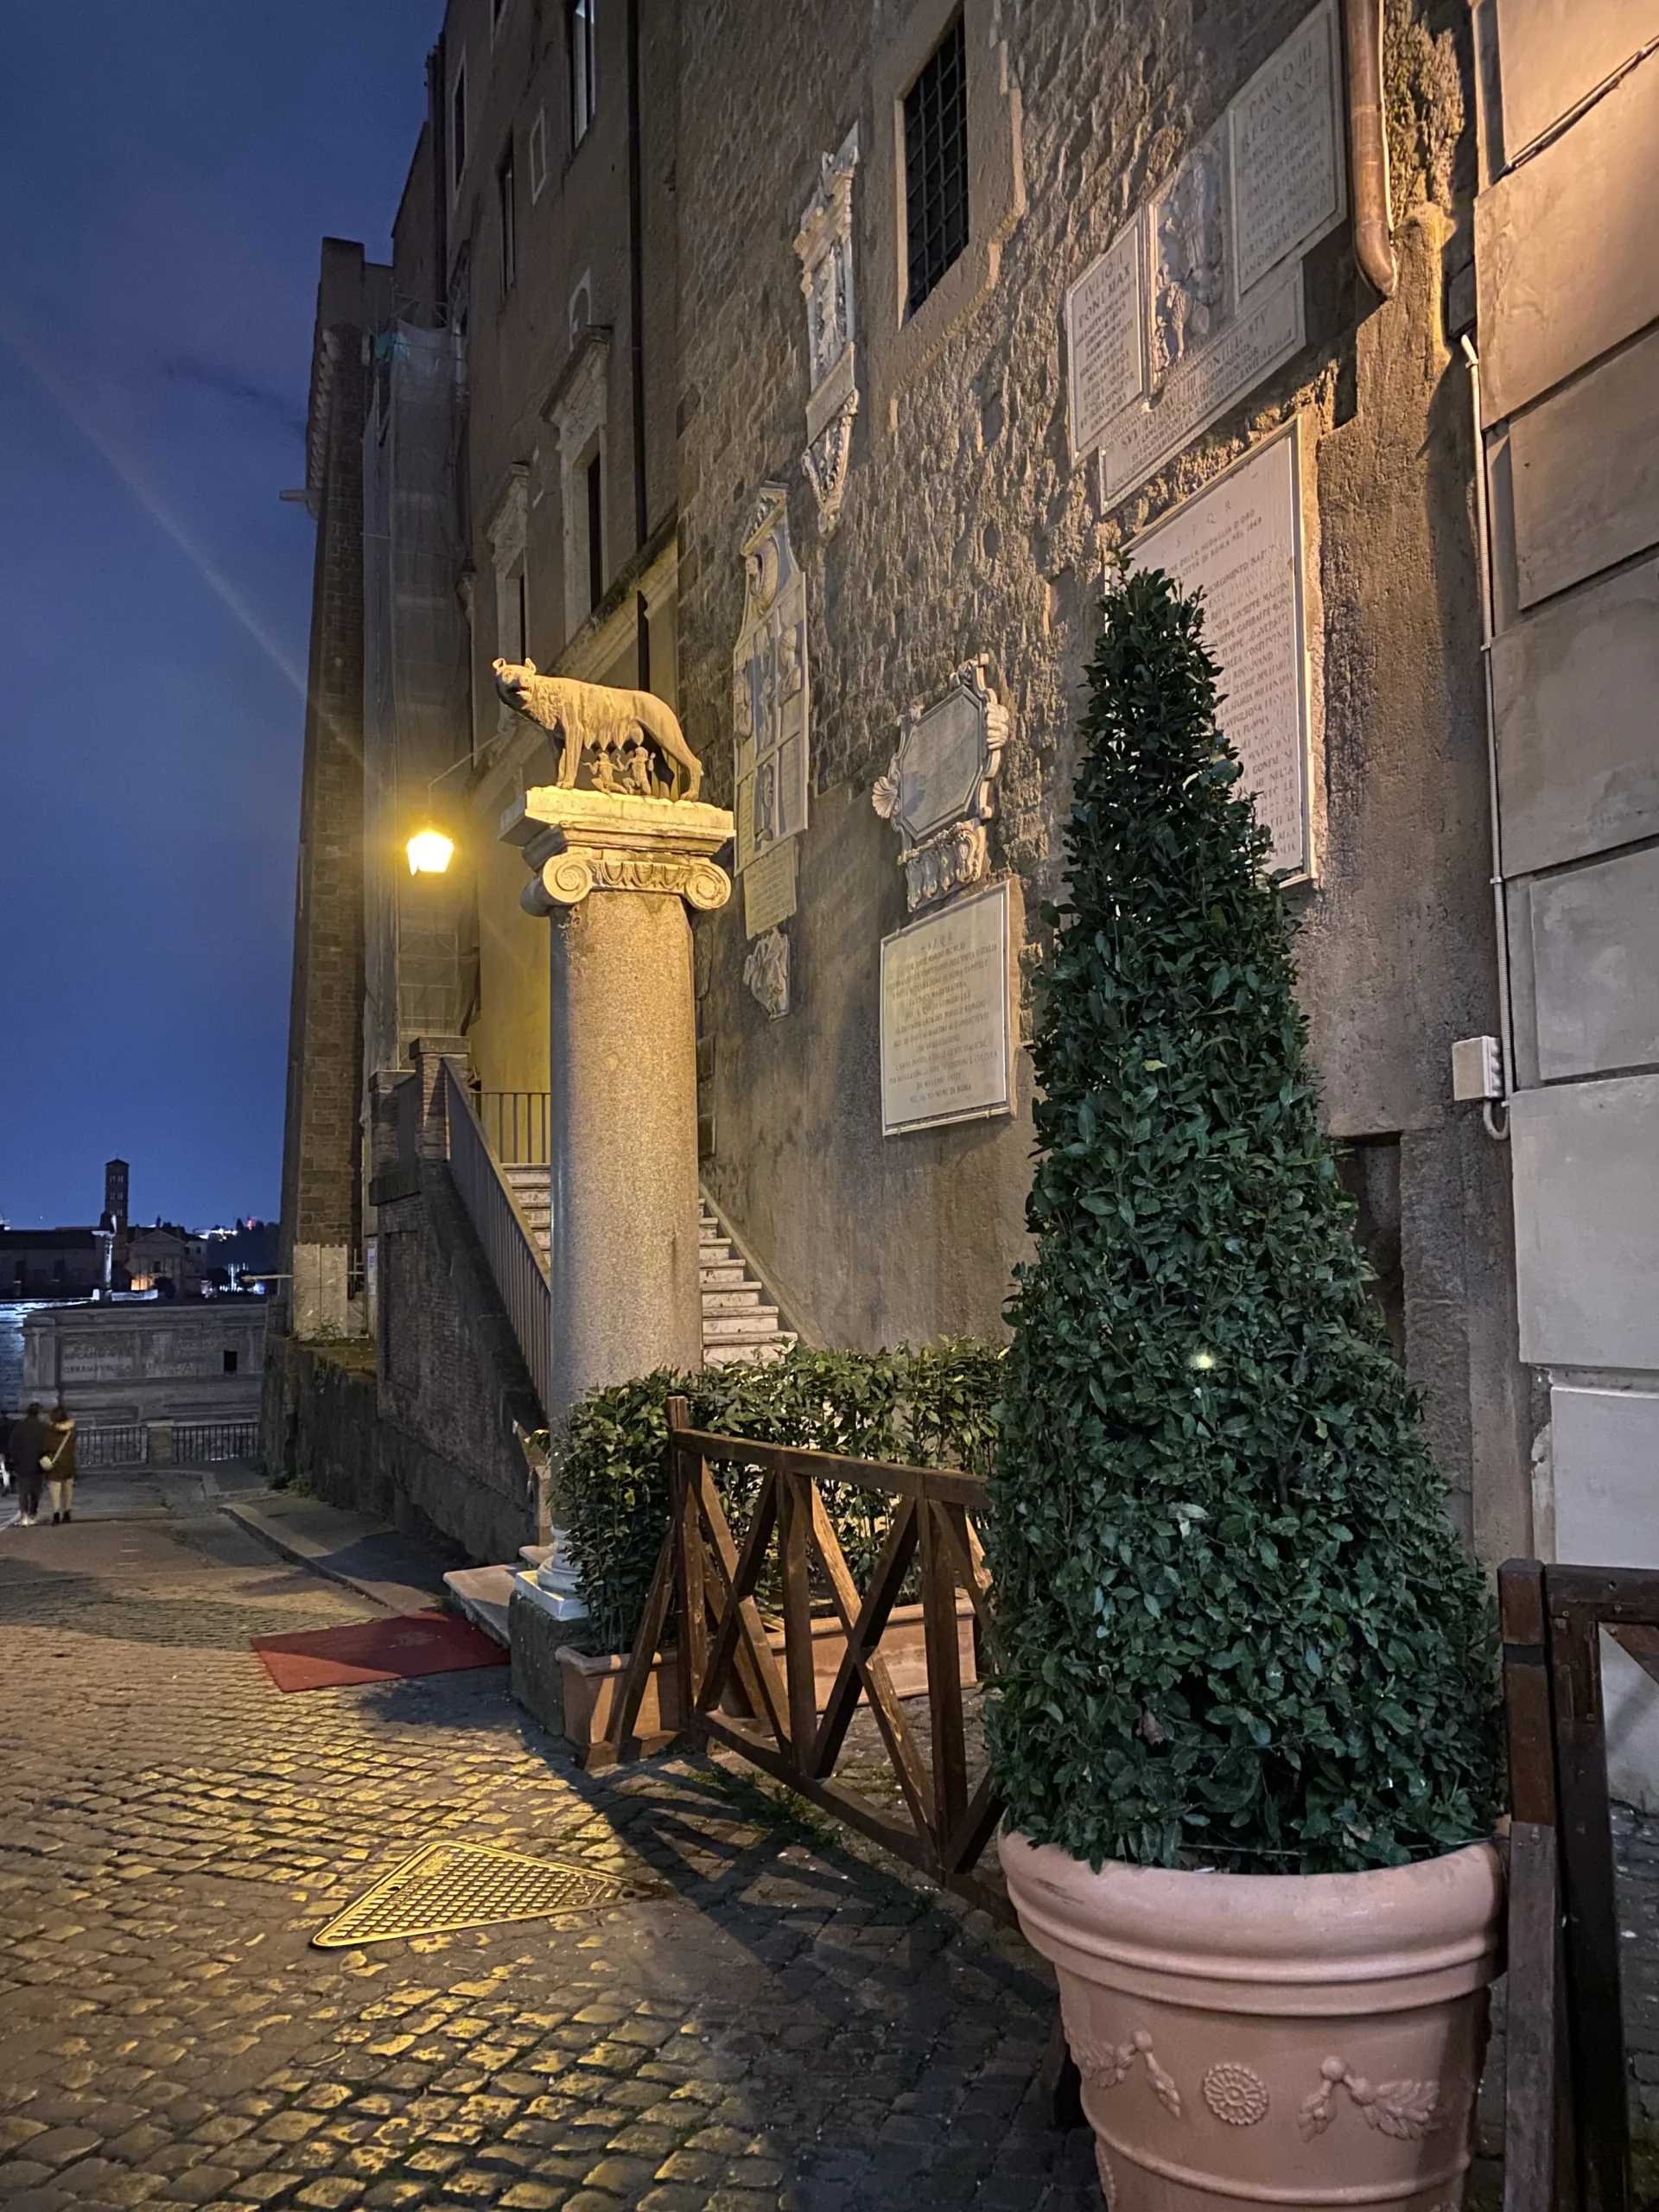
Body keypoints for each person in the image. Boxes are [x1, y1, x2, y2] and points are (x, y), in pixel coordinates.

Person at [7, 1402, 53, 1528]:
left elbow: (13, 1446)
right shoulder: (44, 1428)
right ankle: (33, 1514)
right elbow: (48, 1445)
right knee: (35, 1492)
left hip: (22, 1464)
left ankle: (24, 1515)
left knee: (23, 1492)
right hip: (38, 1464)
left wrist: (13, 1462)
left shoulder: (19, 1427)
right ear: (39, 1413)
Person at [42, 1403, 77, 1524]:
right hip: (68, 1461)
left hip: (55, 1461)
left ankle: (56, 1513)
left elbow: (47, 1446)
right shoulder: (71, 1429)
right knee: (68, 1489)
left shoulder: (49, 1431)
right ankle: (67, 1512)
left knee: (55, 1489)